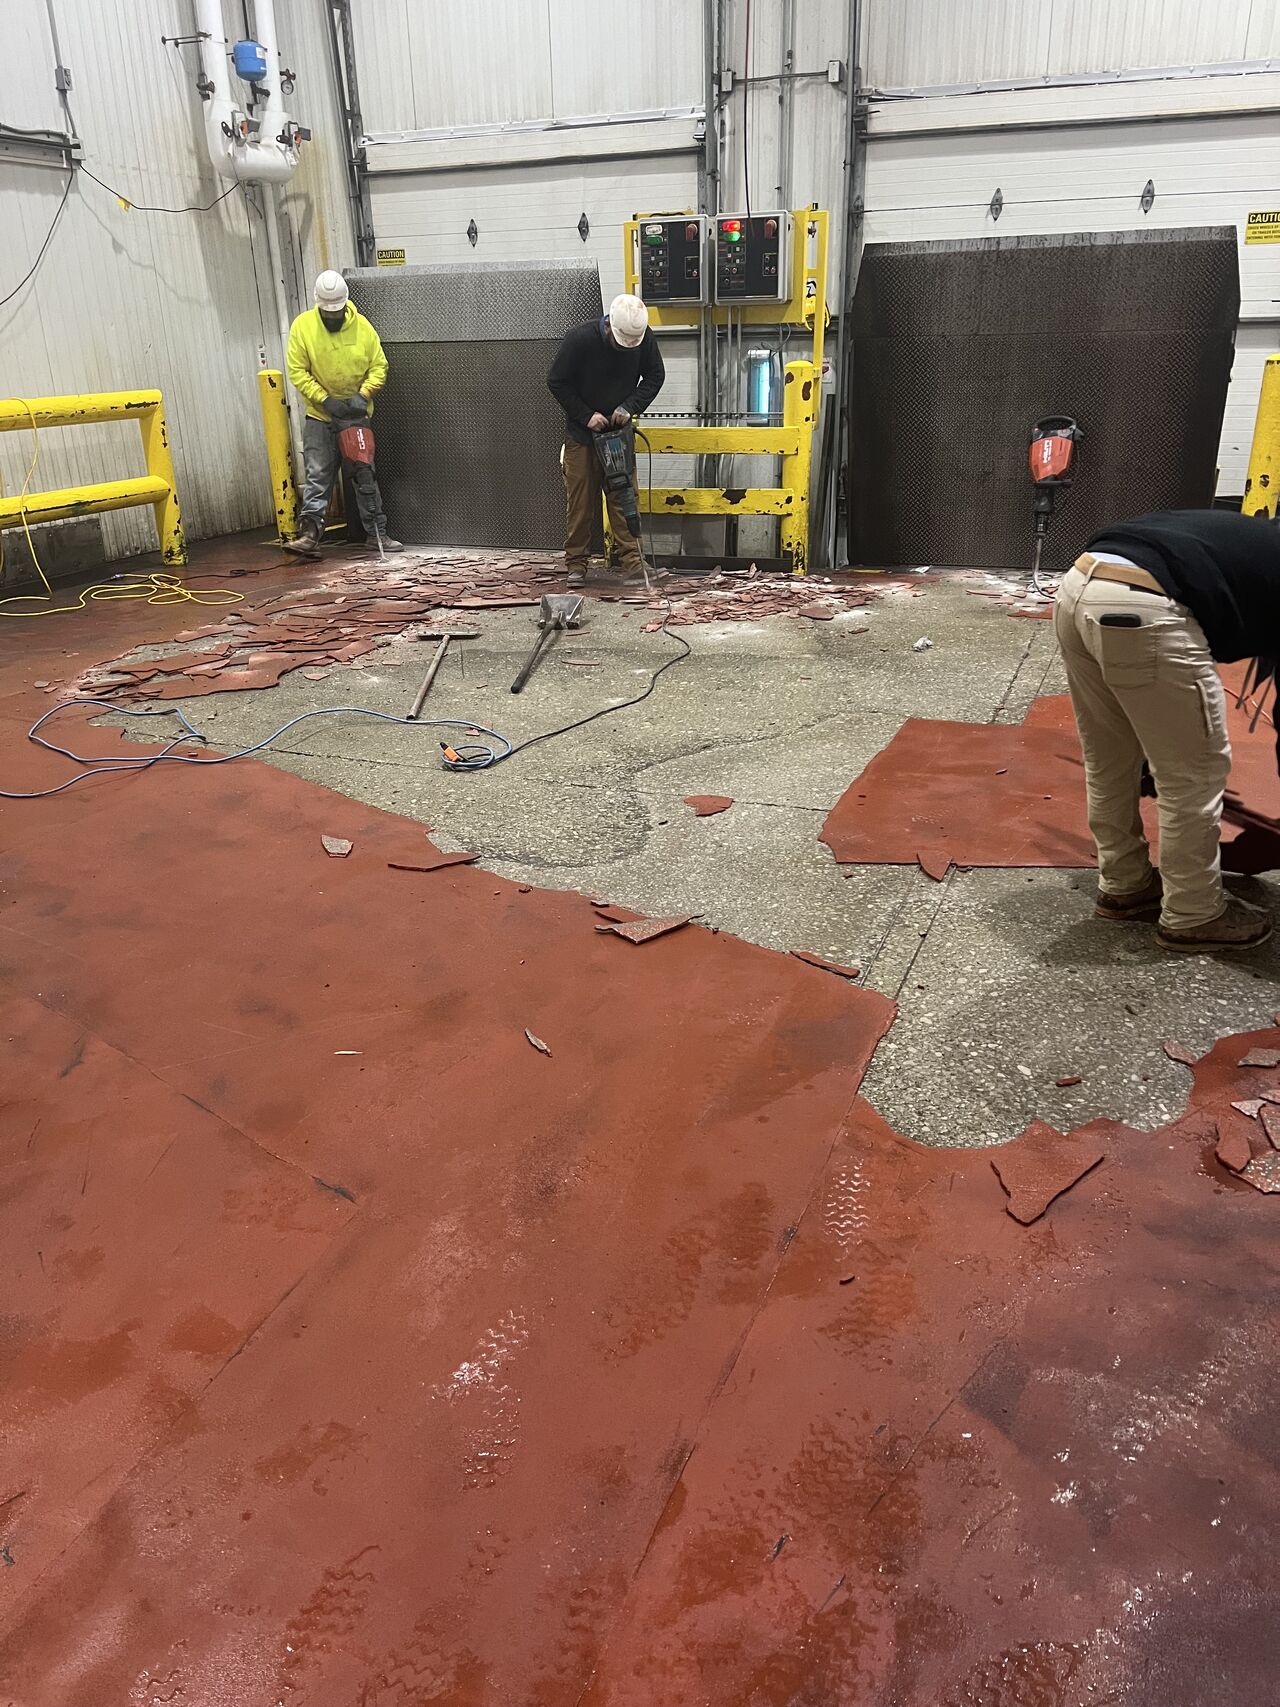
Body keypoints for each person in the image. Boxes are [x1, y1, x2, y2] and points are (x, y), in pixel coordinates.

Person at [1054, 508, 1279, 952]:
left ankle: (1124, 882)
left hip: (1078, 588)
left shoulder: (1254, 538)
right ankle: (1195, 913)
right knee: (1193, 776)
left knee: (1110, 757)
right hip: (1148, 606)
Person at [547, 293, 665, 587]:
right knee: (581, 504)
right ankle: (576, 566)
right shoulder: (580, 339)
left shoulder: (642, 337)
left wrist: (630, 407)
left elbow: (655, 376)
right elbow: (556, 381)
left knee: (625, 498)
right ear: (609, 325)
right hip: (582, 437)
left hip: (618, 437)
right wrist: (586, 415)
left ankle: (634, 565)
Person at [284, 270, 401, 557]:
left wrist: (364, 395)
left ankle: (377, 535)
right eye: (328, 313)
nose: (333, 317)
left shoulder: (362, 327)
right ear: (319, 305)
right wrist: (325, 399)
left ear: (345, 305)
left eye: (336, 313)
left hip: (355, 416)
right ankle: (310, 536)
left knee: (364, 476)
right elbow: (297, 371)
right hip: (321, 417)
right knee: (318, 475)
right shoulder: (303, 328)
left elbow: (379, 365)